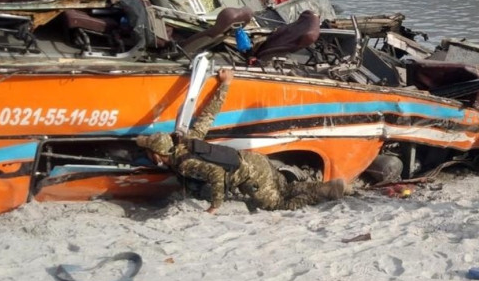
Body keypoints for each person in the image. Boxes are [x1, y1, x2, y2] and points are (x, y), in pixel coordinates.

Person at [136, 69, 345, 213]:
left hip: (251, 175)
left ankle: (324, 192)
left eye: (148, 152)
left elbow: (217, 175)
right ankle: (331, 186)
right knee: (284, 188)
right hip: (256, 160)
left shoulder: (184, 163)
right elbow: (208, 115)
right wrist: (225, 84)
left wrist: (215, 205)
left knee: (277, 204)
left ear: (157, 154)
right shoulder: (187, 140)